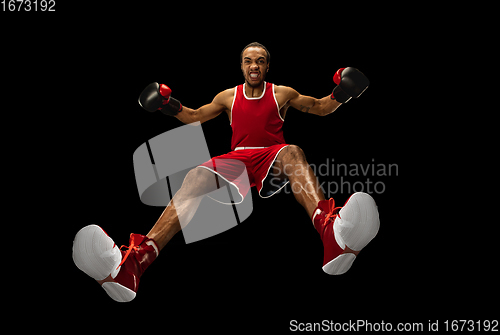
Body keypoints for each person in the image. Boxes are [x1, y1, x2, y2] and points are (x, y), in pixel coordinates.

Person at [72, 42, 380, 302]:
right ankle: (135, 262)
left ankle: (332, 233)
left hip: (274, 155)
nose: (254, 65)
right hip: (238, 159)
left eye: (260, 61)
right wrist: (167, 104)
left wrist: (342, 93)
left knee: (293, 151)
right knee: (195, 176)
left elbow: (320, 107)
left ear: (267, 66)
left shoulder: (282, 93)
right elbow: (195, 115)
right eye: (248, 61)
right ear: (242, 67)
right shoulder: (227, 97)